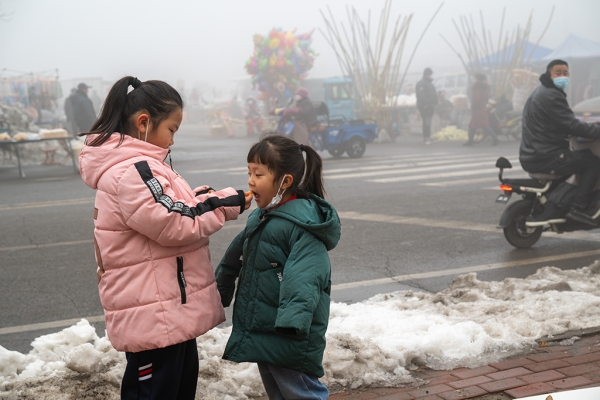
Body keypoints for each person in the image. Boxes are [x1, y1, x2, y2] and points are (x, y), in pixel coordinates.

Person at [78, 76, 252, 400]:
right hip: (155, 316)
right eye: (171, 129)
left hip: (166, 311)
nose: (172, 140)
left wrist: (205, 196)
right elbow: (174, 220)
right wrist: (229, 202)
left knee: (177, 389)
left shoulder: (140, 167)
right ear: (144, 122)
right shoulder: (132, 170)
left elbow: (173, 204)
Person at [215, 134, 341, 400]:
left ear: (285, 181)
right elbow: (233, 258)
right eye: (249, 172)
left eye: (258, 174)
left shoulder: (302, 225)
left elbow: (305, 276)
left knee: (303, 394)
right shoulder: (262, 217)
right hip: (264, 327)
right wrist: (219, 291)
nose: (250, 181)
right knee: (280, 393)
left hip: (288, 332)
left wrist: (291, 324)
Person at [520, 59, 600, 225]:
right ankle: (579, 208)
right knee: (592, 163)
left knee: (580, 157)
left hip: (532, 154)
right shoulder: (552, 95)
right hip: (548, 156)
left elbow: (561, 122)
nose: (562, 76)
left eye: (565, 73)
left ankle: (560, 204)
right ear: (549, 74)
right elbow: (570, 124)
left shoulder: (539, 92)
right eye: (558, 73)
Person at [464, 73, 499, 146]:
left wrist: (473, 107)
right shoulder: (484, 88)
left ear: (477, 79)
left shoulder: (477, 88)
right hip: (482, 108)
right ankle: (470, 140)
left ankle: (495, 138)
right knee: (477, 125)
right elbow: (486, 99)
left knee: (480, 125)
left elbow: (476, 100)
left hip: (478, 110)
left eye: (475, 78)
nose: (474, 80)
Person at [416, 67, 438, 144]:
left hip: (430, 105)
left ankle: (427, 136)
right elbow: (421, 95)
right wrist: (426, 104)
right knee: (426, 121)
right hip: (425, 106)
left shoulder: (429, 83)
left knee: (428, 121)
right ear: (428, 74)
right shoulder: (422, 84)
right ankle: (426, 137)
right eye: (430, 74)